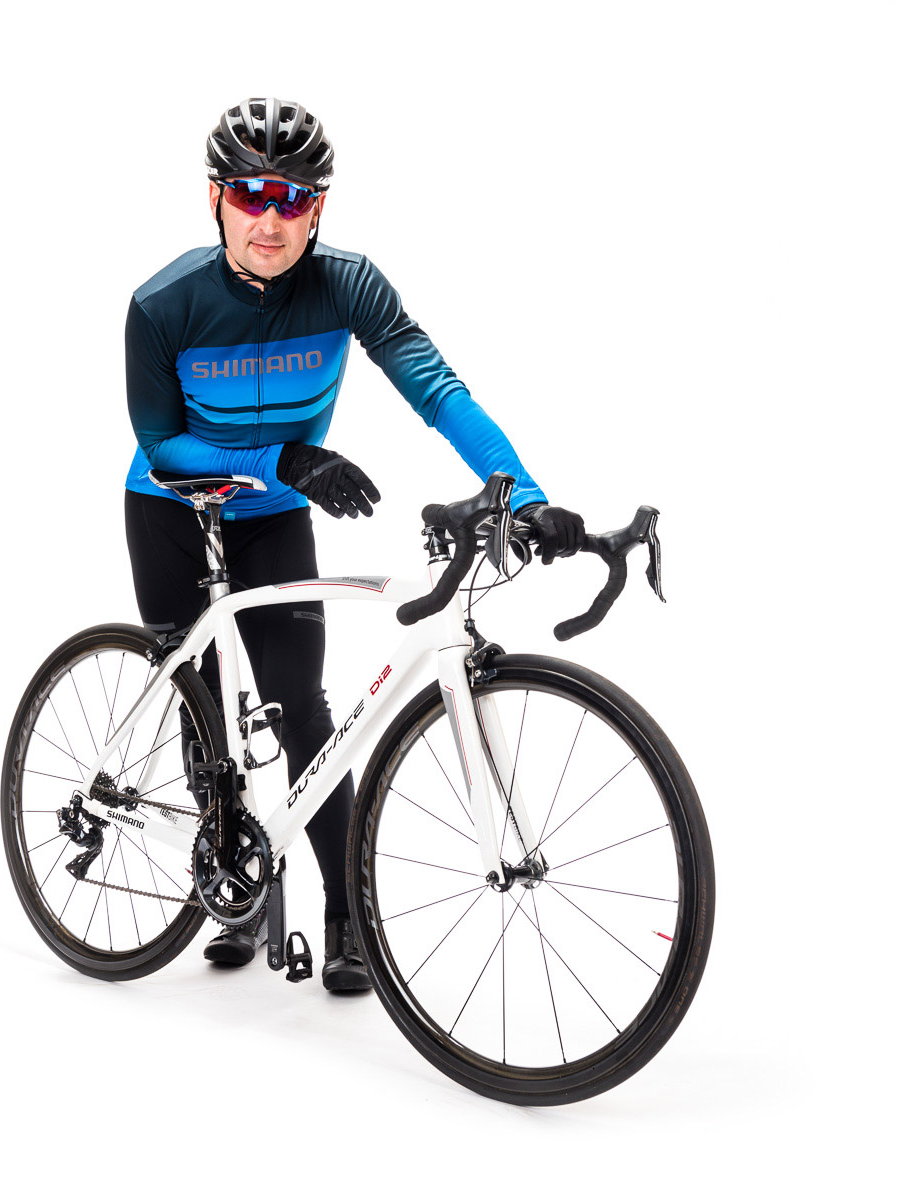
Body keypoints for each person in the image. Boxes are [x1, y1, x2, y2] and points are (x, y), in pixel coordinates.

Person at [123, 96, 585, 992]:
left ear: (319, 208)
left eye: (292, 199)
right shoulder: (162, 304)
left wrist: (523, 493)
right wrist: (286, 458)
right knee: (199, 701)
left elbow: (437, 389)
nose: (270, 219)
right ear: (215, 198)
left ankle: (346, 916)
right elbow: (163, 445)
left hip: (271, 514)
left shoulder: (348, 285)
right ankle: (235, 886)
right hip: (172, 509)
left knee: (301, 703)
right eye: (251, 194)